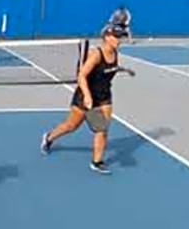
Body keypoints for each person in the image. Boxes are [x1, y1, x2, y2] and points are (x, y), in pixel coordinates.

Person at [40, 23, 129, 174]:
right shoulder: (96, 54)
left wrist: (124, 69)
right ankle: (49, 137)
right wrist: (87, 96)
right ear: (106, 37)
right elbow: (81, 75)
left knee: (102, 129)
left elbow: (107, 69)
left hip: (104, 96)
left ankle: (97, 161)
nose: (119, 40)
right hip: (86, 96)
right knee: (71, 126)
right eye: (116, 37)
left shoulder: (115, 53)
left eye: (120, 37)